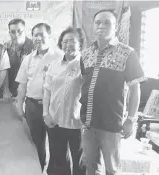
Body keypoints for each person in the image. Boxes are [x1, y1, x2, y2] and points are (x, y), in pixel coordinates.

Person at [80, 9, 146, 175]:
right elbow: (84, 85)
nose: (101, 26)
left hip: (111, 125)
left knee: (112, 170)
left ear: (115, 27)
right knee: (91, 168)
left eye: (107, 22)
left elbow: (135, 88)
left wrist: (131, 119)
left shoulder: (127, 53)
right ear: (93, 27)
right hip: (88, 123)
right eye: (98, 23)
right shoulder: (86, 54)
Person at [15, 23, 63, 172]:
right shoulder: (28, 59)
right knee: (36, 145)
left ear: (49, 36)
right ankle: (37, 170)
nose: (38, 38)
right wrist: (19, 105)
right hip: (33, 107)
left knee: (57, 144)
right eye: (35, 34)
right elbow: (22, 85)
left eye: (41, 34)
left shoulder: (60, 56)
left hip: (54, 107)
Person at [43, 27, 86, 175]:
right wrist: (45, 114)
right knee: (58, 160)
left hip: (77, 122)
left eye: (72, 41)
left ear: (80, 43)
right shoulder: (54, 65)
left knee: (80, 162)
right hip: (55, 121)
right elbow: (47, 91)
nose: (68, 44)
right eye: (65, 41)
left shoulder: (85, 64)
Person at [3, 18, 34, 100]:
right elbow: (3, 70)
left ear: (24, 30)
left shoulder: (34, 47)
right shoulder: (6, 47)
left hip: (30, 93)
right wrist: (6, 89)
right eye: (13, 32)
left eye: (19, 31)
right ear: (9, 33)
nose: (16, 34)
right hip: (11, 93)